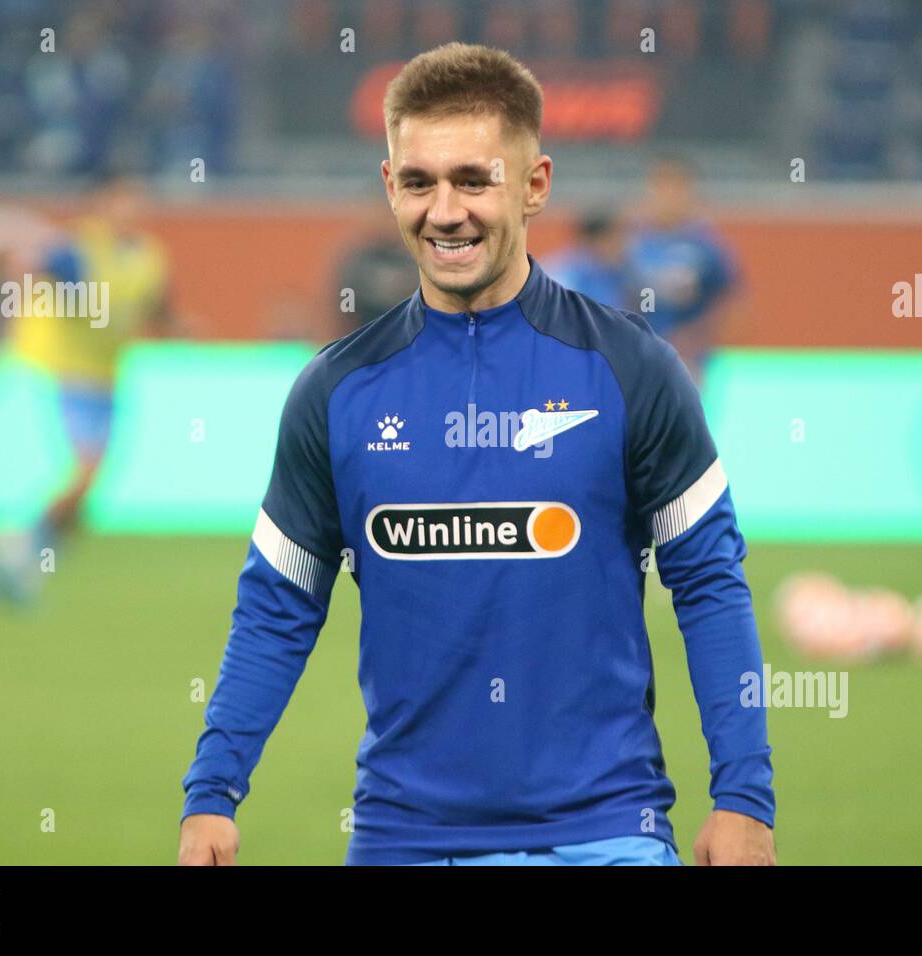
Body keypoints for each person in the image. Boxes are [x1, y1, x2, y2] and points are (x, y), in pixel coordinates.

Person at [179, 42, 775, 867]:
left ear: (534, 186)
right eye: (419, 182)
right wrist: (212, 791)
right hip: (404, 841)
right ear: (390, 188)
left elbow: (709, 581)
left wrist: (743, 796)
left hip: (605, 835)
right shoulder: (335, 394)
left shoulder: (632, 370)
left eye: (473, 180)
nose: (445, 210)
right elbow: (278, 607)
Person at [0, 172, 173, 602]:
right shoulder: (78, 249)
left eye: (136, 201)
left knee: (87, 496)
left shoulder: (148, 255)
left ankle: (33, 560)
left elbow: (156, 306)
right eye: (122, 201)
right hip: (66, 372)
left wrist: (181, 328)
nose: (131, 211)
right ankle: (17, 541)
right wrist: (13, 317)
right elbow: (21, 266)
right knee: (86, 472)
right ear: (102, 204)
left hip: (108, 377)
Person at [623, 153, 741, 387]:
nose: (668, 196)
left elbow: (733, 302)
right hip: (637, 355)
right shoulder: (629, 241)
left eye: (676, 187)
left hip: (687, 360)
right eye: (662, 186)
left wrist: (698, 337)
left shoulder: (706, 245)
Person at [541, 208, 629, 310]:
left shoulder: (615, 272)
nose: (622, 246)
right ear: (597, 241)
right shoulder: (564, 274)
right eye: (615, 240)